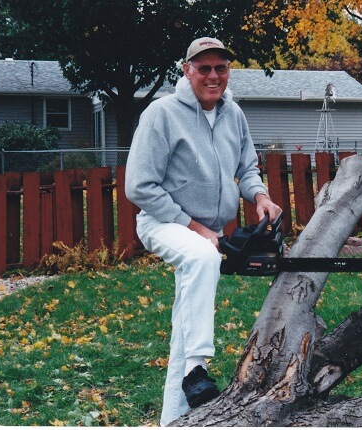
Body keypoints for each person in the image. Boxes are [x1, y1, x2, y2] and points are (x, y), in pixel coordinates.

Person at [124, 36, 281, 425]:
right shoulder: (162, 114)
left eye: (221, 68)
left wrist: (259, 195)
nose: (213, 76)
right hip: (162, 222)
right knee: (200, 254)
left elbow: (246, 168)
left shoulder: (234, 114)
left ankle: (173, 420)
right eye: (204, 68)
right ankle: (197, 369)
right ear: (187, 70)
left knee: (185, 321)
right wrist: (193, 227)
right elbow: (139, 186)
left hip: (208, 229)